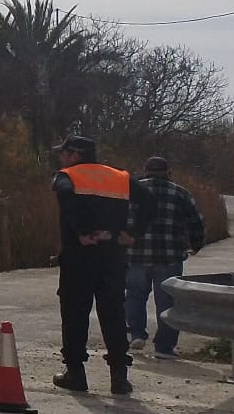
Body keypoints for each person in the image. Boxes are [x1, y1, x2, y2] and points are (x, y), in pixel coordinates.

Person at [51, 136, 132, 395]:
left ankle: (76, 374)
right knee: (114, 315)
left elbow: (66, 198)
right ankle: (119, 378)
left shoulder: (66, 177)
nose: (61, 158)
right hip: (113, 257)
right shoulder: (119, 177)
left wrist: (84, 231)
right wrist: (132, 231)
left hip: (79, 257)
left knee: (75, 314)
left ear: (74, 154)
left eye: (63, 153)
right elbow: (150, 201)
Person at [123, 157, 203, 360]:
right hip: (169, 256)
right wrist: (196, 243)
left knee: (134, 296)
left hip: (136, 254)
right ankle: (164, 347)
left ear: (145, 170)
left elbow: (117, 217)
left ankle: (136, 334)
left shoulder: (130, 191)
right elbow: (196, 221)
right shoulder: (180, 193)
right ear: (169, 172)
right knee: (168, 301)